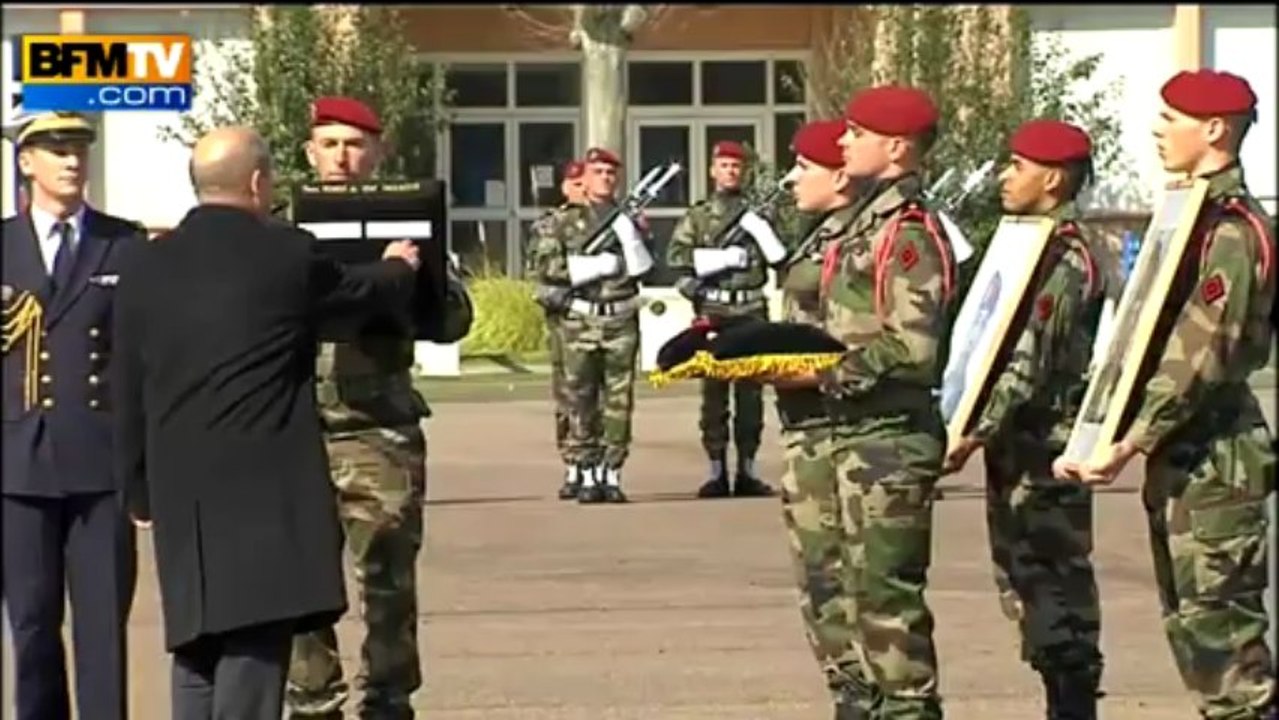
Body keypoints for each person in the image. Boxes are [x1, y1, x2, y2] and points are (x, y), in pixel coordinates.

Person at [111, 126, 422, 720]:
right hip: (261, 491)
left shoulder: (145, 264)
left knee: (198, 651)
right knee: (254, 651)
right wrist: (398, 266)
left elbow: (124, 382)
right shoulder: (284, 253)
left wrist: (138, 486)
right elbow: (356, 290)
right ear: (259, 182)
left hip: (182, 491)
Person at [1058, 69, 1275, 720]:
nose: (1156, 130)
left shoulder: (1229, 230)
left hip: (1215, 456)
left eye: (1169, 119)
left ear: (1212, 131)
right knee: (1193, 631)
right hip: (1185, 453)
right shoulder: (1188, 217)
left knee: (1226, 648)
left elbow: (1197, 357)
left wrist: (1125, 441)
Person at [761, 86, 957, 720]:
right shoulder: (858, 228)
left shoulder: (909, 233)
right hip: (841, 434)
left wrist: (814, 373)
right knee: (832, 596)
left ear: (896, 148)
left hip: (886, 442)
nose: (842, 144)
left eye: (856, 134)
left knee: (885, 608)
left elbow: (914, 347)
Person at [942, 119, 1106, 719]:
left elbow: (1027, 361)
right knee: (1024, 582)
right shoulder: (1026, 242)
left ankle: (1073, 706)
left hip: (1046, 450)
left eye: (1017, 166)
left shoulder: (1065, 258)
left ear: (1054, 178)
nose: (1005, 177)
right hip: (1017, 443)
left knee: (1055, 583)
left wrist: (967, 431)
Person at [286, 95, 430, 720]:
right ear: (309, 152)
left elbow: (451, 318)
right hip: (292, 427)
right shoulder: (276, 227)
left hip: (378, 428)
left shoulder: (409, 224)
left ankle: (389, 696)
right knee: (297, 577)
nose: (343, 157)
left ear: (377, 153)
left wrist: (417, 277)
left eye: (355, 144)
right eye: (331, 144)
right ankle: (314, 700)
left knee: (389, 577)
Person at [1, 112, 143, 720]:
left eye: (79, 149)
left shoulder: (124, 242)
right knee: (32, 626)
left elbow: (144, 351)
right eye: (55, 150)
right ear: (25, 162)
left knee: (101, 629)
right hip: (17, 465)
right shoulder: (2, 245)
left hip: (100, 463)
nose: (71, 161)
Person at [770, 118, 879, 718]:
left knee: (856, 586)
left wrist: (796, 371)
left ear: (839, 175)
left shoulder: (862, 238)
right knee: (820, 583)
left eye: (803, 167)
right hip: (810, 432)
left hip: (845, 431)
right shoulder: (818, 238)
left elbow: (871, 344)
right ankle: (849, 694)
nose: (791, 179)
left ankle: (866, 695)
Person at [528, 147, 645, 504]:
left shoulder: (628, 221)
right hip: (580, 319)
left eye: (611, 173)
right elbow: (548, 268)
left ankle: (611, 470)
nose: (605, 179)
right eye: (597, 172)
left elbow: (644, 268)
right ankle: (584, 467)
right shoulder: (561, 223)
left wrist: (630, 236)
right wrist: (593, 267)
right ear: (585, 179)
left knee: (618, 400)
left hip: (620, 318)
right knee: (579, 398)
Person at [667, 140, 776, 499]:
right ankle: (716, 471)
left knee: (751, 395)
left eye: (736, 166)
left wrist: (761, 230)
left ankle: (748, 469)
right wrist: (713, 266)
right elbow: (677, 258)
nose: (731, 171)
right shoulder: (698, 216)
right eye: (724, 165)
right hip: (713, 310)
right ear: (713, 170)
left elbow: (779, 253)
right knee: (714, 394)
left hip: (750, 310)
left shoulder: (759, 213)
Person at [530, 159, 589, 499]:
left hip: (603, 319)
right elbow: (538, 274)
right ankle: (572, 464)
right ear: (566, 187)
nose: (582, 190)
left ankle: (595, 466)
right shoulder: (548, 226)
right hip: (566, 321)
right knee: (568, 395)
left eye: (587, 183)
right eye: (576, 184)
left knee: (597, 399)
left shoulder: (610, 223)